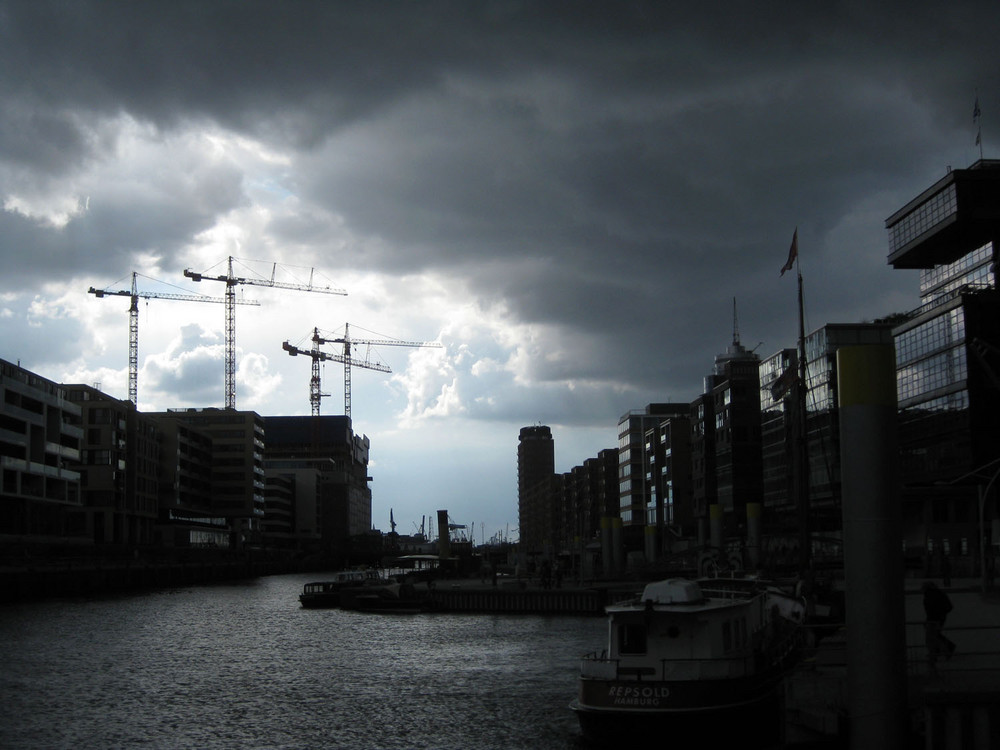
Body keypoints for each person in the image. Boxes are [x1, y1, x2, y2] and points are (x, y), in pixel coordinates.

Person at [922, 580, 956, 668]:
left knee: (932, 637)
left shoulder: (929, 596)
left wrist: (929, 619)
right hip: (940, 618)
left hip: (934, 619)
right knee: (935, 635)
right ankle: (943, 650)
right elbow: (949, 607)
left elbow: (930, 611)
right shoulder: (940, 593)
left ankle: (944, 650)